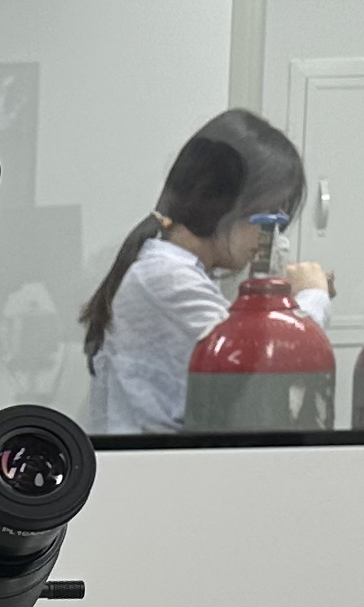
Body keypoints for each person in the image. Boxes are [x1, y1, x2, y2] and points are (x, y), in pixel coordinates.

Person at [78, 111, 320, 436]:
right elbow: (269, 365)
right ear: (224, 202)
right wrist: (312, 297)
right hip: (155, 463)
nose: (271, 237)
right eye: (266, 219)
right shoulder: (168, 276)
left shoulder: (172, 270)